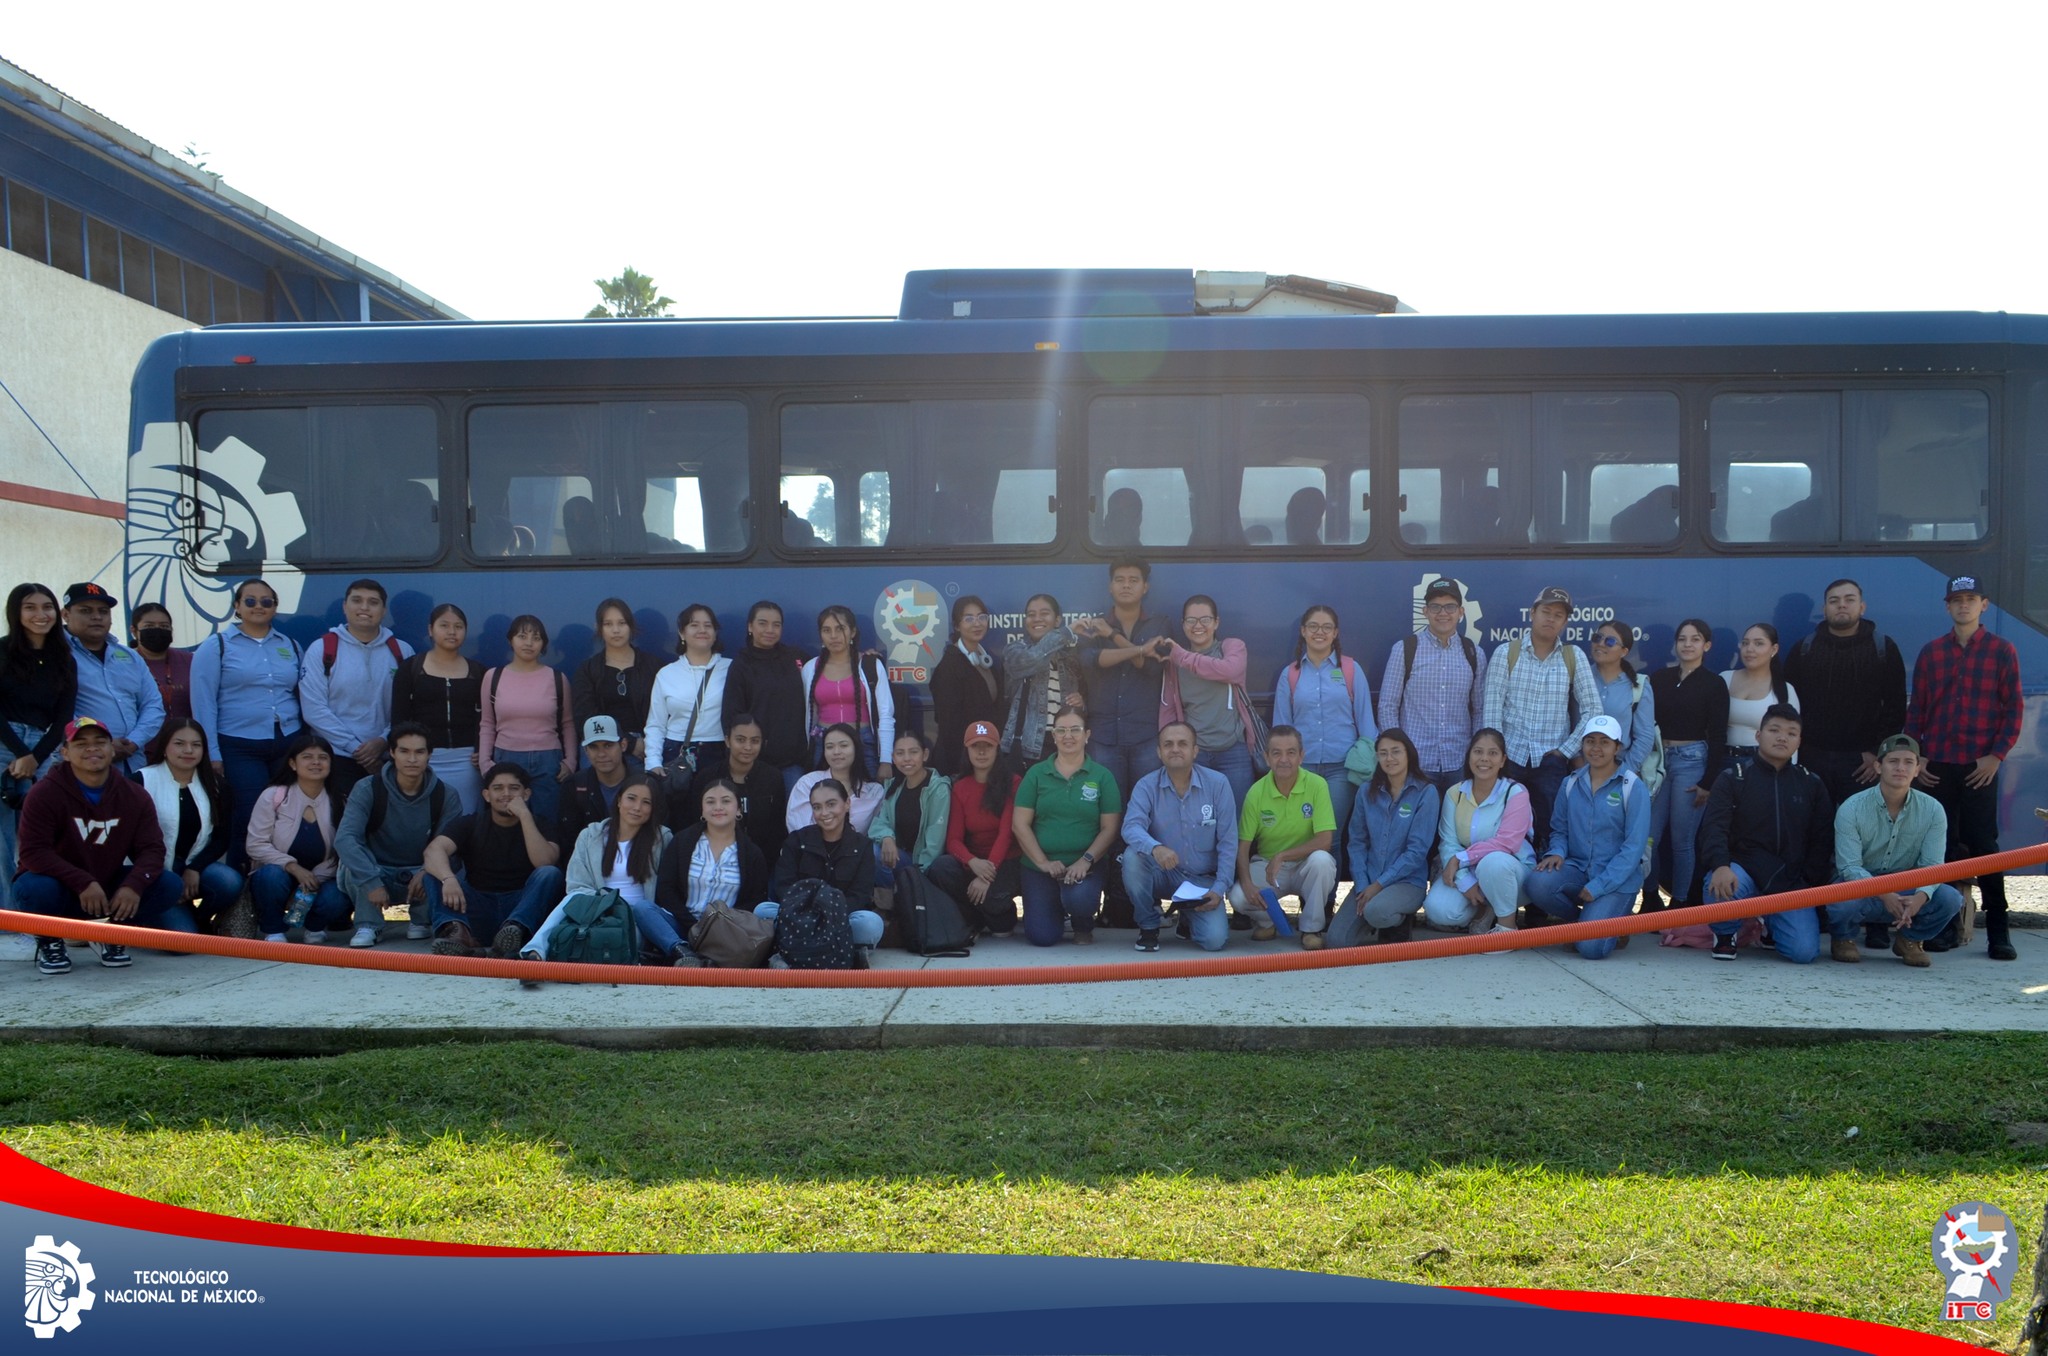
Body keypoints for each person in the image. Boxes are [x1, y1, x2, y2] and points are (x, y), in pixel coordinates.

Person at [1903, 574, 2023, 961]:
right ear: (1947, 606)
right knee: (1940, 847)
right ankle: (1944, 928)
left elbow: (2013, 709)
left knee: (1985, 848)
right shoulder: (1932, 652)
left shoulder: (2002, 651)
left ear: (1984, 605)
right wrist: (1917, 755)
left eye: (1971, 599)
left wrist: (1997, 755)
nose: (1964, 605)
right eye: (1957, 600)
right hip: (1936, 767)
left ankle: (1999, 933)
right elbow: (1917, 709)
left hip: (1978, 767)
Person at [18, 717, 182, 974]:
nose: (91, 749)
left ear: (111, 748)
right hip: (60, 887)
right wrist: (82, 881)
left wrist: (133, 885)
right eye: (81, 743)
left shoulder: (134, 795)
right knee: (34, 886)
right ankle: (50, 940)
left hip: (106, 887)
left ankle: (112, 934)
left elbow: (152, 850)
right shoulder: (44, 793)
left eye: (99, 742)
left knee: (169, 883)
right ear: (65, 753)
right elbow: (32, 852)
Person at [1696, 704, 1834, 962]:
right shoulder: (1732, 778)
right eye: (1774, 730)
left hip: (1789, 880)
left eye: (1791, 733)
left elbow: (1821, 840)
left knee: (1803, 953)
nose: (1782, 737)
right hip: (1744, 871)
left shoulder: (1811, 783)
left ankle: (1771, 927)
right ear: (1758, 735)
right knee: (1720, 886)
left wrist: (1806, 881)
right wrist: (1720, 865)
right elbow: (1714, 829)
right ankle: (1726, 934)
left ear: (1799, 741)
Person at [190, 577, 304, 872]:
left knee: (289, 814)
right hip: (240, 746)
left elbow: (302, 694)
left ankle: (279, 881)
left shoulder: (290, 645)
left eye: (266, 601)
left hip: (287, 742)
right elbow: (203, 703)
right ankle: (241, 887)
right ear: (237, 607)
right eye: (250, 601)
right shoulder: (216, 646)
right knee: (250, 814)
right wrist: (212, 754)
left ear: (275, 607)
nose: (258, 606)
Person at [1827, 733, 1964, 968]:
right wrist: (1883, 891)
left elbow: (1933, 866)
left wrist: (1920, 897)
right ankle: (1843, 938)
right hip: (1862, 887)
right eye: (1893, 761)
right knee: (1840, 903)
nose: (1901, 768)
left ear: (1918, 769)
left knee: (1951, 899)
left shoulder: (1933, 810)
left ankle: (1910, 940)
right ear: (1878, 766)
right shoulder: (1852, 808)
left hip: (1906, 886)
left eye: (1908, 762)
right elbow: (1849, 867)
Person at [1481, 584, 1601, 844]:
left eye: (1559, 615)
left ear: (1566, 621)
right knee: (1503, 831)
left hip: (1551, 761)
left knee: (1550, 832)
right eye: (1546, 611)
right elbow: (1491, 710)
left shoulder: (1573, 656)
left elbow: (1593, 709)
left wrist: (1565, 751)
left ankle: (1544, 882)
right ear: (1532, 613)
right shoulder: (1506, 653)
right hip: (1509, 759)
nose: (1551, 618)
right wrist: (1496, 756)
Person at [1525, 715, 1651, 960]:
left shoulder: (1633, 787)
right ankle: (1580, 923)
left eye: (1605, 742)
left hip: (1616, 879)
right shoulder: (1570, 783)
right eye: (1590, 741)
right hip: (1579, 869)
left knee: (1591, 949)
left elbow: (1633, 848)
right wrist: (1557, 852)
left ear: (1618, 747)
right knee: (1536, 883)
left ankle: (1609, 924)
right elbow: (1559, 829)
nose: (1596, 748)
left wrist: (1599, 886)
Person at [522, 775, 684, 963]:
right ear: (618, 800)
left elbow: (666, 889)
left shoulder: (662, 839)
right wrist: (604, 907)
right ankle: (535, 952)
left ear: (653, 809)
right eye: (631, 798)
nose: (637, 807)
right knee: (573, 899)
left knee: (615, 943)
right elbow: (576, 885)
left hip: (637, 918)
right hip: (596, 908)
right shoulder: (590, 835)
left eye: (646, 802)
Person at [1781, 579, 1909, 809]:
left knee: (1861, 833)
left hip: (1862, 764)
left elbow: (1895, 706)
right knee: (1815, 832)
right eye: (1834, 601)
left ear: (1862, 607)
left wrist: (1877, 752)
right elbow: (1787, 706)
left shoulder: (1883, 648)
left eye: (1849, 600)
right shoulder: (1803, 649)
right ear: (1824, 610)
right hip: (1812, 758)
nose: (1841, 605)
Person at [334, 721, 462, 948]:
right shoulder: (367, 788)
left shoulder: (445, 795)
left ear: (429, 755)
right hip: (376, 871)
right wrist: (372, 881)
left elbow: (450, 846)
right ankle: (368, 924)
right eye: (404, 751)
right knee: (350, 862)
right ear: (392, 753)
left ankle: (421, 921)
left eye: (419, 752)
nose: (412, 759)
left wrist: (426, 871)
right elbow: (345, 839)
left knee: (446, 868)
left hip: (418, 874)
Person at [1271, 603, 1375, 883]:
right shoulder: (1290, 674)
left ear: (1335, 633)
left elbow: (1367, 725)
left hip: (1341, 769)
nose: (1320, 632)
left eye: (1326, 627)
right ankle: (1309, 905)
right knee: (1302, 836)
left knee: (1329, 837)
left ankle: (1325, 908)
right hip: (1301, 772)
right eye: (1313, 626)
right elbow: (1281, 728)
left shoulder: (1351, 670)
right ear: (1303, 632)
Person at [420, 762, 565, 957]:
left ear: (527, 794)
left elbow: (544, 862)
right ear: (487, 795)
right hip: (477, 906)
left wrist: (524, 815)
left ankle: (514, 933)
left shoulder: (542, 824)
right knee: (433, 875)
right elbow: (433, 850)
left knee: (550, 874)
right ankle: (459, 935)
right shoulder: (470, 823)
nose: (506, 794)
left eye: (514, 788)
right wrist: (449, 878)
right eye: (498, 788)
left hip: (522, 908)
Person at [1120, 721, 1237, 952]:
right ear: (1159, 752)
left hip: (1201, 880)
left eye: (1183, 744)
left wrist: (1219, 889)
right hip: (1163, 873)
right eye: (1168, 744)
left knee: (1214, 941)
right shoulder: (1146, 785)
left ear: (1195, 750)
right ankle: (1149, 926)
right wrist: (1155, 848)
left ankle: (1187, 917)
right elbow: (1130, 827)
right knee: (1132, 857)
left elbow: (1228, 842)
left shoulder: (1218, 784)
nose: (1175, 749)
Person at [299, 578, 412, 807]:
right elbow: (313, 709)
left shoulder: (402, 651)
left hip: (386, 756)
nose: (364, 608)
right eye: (357, 600)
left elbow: (408, 706)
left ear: (383, 610)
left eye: (373, 602)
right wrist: (356, 749)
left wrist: (383, 740)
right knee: (342, 826)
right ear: (344, 606)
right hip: (336, 757)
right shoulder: (321, 649)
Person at [1012, 711, 1122, 946]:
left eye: (1075, 730)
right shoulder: (1036, 774)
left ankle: (1082, 920)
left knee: (1080, 901)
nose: (1068, 736)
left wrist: (1086, 860)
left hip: (1085, 868)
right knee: (1042, 937)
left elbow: (1109, 829)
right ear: (1053, 735)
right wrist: (1043, 863)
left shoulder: (1102, 776)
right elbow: (1019, 824)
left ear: (1087, 735)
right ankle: (1055, 906)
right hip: (1040, 867)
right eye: (1061, 730)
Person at [1644, 618, 1728, 911]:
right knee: (1648, 837)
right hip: (1657, 762)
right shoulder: (1658, 678)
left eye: (1695, 639)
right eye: (1682, 639)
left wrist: (1708, 781)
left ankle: (1680, 903)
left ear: (1706, 645)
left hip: (1692, 763)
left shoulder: (1714, 683)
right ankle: (1650, 898)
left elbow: (1718, 736)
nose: (1688, 644)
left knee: (1682, 840)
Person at [1227, 725, 1337, 946]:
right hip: (1268, 867)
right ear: (1267, 758)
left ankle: (1311, 930)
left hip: (1305, 866)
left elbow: (1325, 840)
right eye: (1276, 753)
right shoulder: (1256, 792)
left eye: (1291, 752)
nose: (1284, 759)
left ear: (1301, 756)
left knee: (1323, 862)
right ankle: (1269, 922)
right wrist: (1247, 883)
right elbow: (1243, 846)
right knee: (1238, 897)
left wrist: (1283, 856)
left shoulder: (1317, 785)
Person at [1, 582, 75, 912]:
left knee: (39, 835)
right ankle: (8, 913)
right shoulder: (2, 650)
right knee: (2, 838)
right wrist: (20, 753)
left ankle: (37, 913)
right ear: (16, 613)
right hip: (5, 743)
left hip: (46, 745)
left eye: (46, 607)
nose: (39, 614)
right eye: (30, 607)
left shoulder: (64, 658)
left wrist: (36, 757)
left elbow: (64, 717)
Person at [1330, 728, 1439, 947]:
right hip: (1368, 882)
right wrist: (1362, 886)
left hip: (1407, 882)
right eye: (1383, 753)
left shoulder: (1426, 793)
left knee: (1377, 911)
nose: (1390, 758)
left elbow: (1416, 852)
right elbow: (1357, 843)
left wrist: (1379, 885)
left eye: (1396, 752)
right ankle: (1376, 916)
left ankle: (1398, 919)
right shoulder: (1365, 792)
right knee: (1336, 942)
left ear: (1408, 754)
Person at [1421, 728, 1535, 934]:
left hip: (1513, 873)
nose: (1484, 759)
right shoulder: (1454, 793)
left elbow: (1506, 843)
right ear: (1469, 757)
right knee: (1439, 911)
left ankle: (1507, 928)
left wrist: (1460, 859)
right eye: (1478, 752)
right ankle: (1486, 908)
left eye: (1492, 753)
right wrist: (1464, 880)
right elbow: (1448, 842)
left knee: (1494, 862)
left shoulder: (1516, 792)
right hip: (1472, 871)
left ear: (1503, 760)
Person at [1378, 579, 1486, 792]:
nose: (1443, 613)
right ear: (1425, 611)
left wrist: (1475, 754)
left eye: (1450, 607)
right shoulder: (1405, 650)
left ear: (1461, 612)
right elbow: (1387, 706)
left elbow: (1480, 709)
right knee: (1416, 825)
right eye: (1435, 606)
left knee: (1457, 825)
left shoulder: (1474, 653)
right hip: (1416, 764)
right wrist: (1398, 754)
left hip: (1459, 763)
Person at [1074, 561, 1172, 794]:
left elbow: (1151, 668)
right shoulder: (1093, 625)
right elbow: (1090, 659)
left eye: (1133, 580)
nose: (1126, 585)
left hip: (1146, 736)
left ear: (1145, 587)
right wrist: (1138, 650)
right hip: (1103, 735)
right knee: (1108, 809)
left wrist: (1112, 635)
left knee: (1147, 808)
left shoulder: (1160, 624)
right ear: (1110, 586)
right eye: (1119, 580)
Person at [139, 717, 243, 934]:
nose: (188, 750)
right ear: (165, 747)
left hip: (193, 864)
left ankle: (198, 918)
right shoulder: (141, 781)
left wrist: (194, 869)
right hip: (153, 871)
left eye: (196, 745)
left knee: (229, 881)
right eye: (179, 743)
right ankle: (141, 916)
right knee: (181, 943)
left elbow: (222, 838)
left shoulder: (217, 786)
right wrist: (168, 882)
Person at [244, 732, 351, 943]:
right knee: (271, 877)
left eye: (323, 757)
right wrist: (293, 868)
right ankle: (273, 929)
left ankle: (314, 927)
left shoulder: (340, 801)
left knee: (339, 894)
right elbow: (255, 845)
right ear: (293, 764)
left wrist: (314, 878)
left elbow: (344, 851)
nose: (315, 762)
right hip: (279, 873)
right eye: (307, 757)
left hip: (321, 878)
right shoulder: (273, 796)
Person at [1154, 595, 1259, 807]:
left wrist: (1182, 656)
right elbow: (1168, 710)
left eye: (1205, 620)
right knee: (1197, 818)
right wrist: (1168, 749)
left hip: (1234, 752)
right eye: (1191, 621)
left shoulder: (1231, 647)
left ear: (1216, 622)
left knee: (1237, 819)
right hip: (1195, 754)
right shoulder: (1174, 664)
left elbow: (1229, 670)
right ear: (1183, 625)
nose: (1198, 626)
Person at [759, 778, 886, 952]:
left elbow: (860, 894)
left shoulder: (862, 846)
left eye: (831, 804)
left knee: (870, 924)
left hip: (841, 917)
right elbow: (784, 886)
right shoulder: (796, 840)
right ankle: (835, 947)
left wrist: (829, 913)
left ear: (847, 804)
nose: (824, 812)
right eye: (817, 807)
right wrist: (809, 913)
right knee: (763, 911)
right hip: (800, 915)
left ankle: (807, 946)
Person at [478, 614, 577, 826]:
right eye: (522, 636)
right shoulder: (493, 677)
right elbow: (487, 724)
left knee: (547, 823)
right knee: (507, 823)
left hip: (548, 761)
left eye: (536, 637)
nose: (529, 643)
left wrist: (570, 761)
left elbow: (567, 724)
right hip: (505, 758)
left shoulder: (558, 679)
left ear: (543, 644)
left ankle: (547, 861)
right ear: (510, 640)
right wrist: (485, 763)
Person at [389, 602, 487, 814]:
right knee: (424, 819)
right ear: (430, 630)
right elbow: (399, 719)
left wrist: (482, 750)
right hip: (423, 760)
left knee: (464, 820)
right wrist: (407, 756)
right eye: (444, 625)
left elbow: (487, 720)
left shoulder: (479, 671)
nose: (452, 632)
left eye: (459, 626)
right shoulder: (410, 668)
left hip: (467, 762)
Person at [928, 721, 1023, 935]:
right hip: (975, 861)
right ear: (967, 750)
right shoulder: (960, 787)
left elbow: (1006, 834)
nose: (981, 752)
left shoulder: (1013, 782)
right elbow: (953, 840)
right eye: (975, 746)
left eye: (987, 746)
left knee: (995, 911)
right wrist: (972, 862)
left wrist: (986, 874)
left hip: (1007, 860)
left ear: (997, 749)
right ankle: (975, 916)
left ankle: (996, 911)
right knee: (940, 868)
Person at [63, 581, 164, 776]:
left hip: (133, 761)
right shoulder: (57, 655)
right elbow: (59, 712)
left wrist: (134, 742)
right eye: (85, 610)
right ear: (66, 614)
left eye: (103, 611)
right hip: (83, 764)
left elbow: (153, 705)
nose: (96, 617)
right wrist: (101, 745)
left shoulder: (130, 656)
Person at [656, 778, 771, 949]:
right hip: (681, 926)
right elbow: (665, 889)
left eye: (726, 801)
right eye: (710, 802)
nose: (718, 807)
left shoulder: (752, 854)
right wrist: (692, 925)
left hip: (727, 933)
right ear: (702, 809)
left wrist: (718, 925)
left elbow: (755, 900)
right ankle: (680, 952)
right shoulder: (682, 841)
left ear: (738, 809)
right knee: (644, 909)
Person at [800, 605, 895, 780]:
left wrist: (886, 760)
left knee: (870, 800)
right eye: (826, 630)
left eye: (840, 628)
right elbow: (806, 715)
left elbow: (885, 714)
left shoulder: (870, 665)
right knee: (824, 799)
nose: (834, 636)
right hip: (824, 744)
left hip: (863, 742)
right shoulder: (810, 668)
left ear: (852, 632)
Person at [681, 713, 787, 864]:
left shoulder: (773, 778)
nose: (748, 747)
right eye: (740, 740)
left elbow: (777, 828)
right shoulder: (707, 777)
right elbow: (694, 822)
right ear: (727, 740)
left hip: (760, 862)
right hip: (711, 861)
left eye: (755, 741)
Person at [570, 598, 665, 767]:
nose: (616, 630)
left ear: (631, 626)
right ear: (598, 628)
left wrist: (643, 743)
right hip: (599, 745)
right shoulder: (588, 669)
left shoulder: (654, 666)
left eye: (622, 623)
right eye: (608, 624)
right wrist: (628, 742)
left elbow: (665, 712)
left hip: (646, 746)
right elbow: (584, 717)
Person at [721, 601, 808, 781]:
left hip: (793, 763)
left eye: (776, 625)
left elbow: (831, 665)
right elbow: (732, 714)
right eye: (763, 623)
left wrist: (862, 657)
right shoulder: (740, 665)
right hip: (754, 764)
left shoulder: (795, 657)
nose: (770, 630)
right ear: (750, 626)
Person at [1000, 593, 1085, 765]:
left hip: (1066, 744)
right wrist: (1066, 633)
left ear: (1057, 620)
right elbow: (1034, 659)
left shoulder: (1071, 659)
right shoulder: (1014, 651)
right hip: (1029, 748)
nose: (1037, 619)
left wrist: (1081, 703)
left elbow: (1082, 705)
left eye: (1044, 613)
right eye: (1031, 615)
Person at [647, 603, 730, 776]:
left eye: (708, 626)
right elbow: (656, 724)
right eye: (694, 625)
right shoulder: (666, 674)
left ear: (715, 633)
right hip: (676, 753)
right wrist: (653, 762)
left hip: (720, 752)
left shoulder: (732, 669)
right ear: (681, 633)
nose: (702, 630)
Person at [929, 595, 1004, 778]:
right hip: (960, 764)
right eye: (969, 618)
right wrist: (964, 766)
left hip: (984, 758)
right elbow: (949, 726)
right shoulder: (949, 667)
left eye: (982, 617)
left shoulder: (986, 661)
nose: (977, 623)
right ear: (957, 625)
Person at [870, 730, 950, 888]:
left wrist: (920, 876)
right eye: (900, 753)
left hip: (922, 865)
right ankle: (893, 898)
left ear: (925, 755)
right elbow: (879, 823)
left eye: (913, 752)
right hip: (899, 857)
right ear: (893, 757)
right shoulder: (893, 786)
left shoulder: (938, 788)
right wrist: (887, 837)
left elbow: (935, 839)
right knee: (872, 851)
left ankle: (906, 895)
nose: (907, 758)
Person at [1588, 621, 1658, 781]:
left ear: (1624, 651)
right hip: (1581, 769)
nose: (1601, 644)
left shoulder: (1639, 685)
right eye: (1597, 638)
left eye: (1610, 641)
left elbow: (1645, 736)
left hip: (1620, 768)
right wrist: (1578, 767)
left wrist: (1624, 772)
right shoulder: (1579, 677)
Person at [559, 716, 637, 857]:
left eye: (608, 745)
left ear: (623, 745)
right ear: (586, 750)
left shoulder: (644, 783)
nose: (601, 754)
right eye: (594, 747)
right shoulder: (573, 786)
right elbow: (570, 842)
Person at [789, 723, 885, 833]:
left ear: (856, 748)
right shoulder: (807, 783)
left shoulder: (874, 792)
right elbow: (798, 829)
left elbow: (877, 832)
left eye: (843, 745)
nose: (836, 752)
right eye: (830, 747)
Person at [128, 601, 190, 721]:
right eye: (149, 626)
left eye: (164, 626)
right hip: (141, 738)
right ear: (134, 631)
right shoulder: (124, 663)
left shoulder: (190, 661)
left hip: (185, 736)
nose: (157, 630)